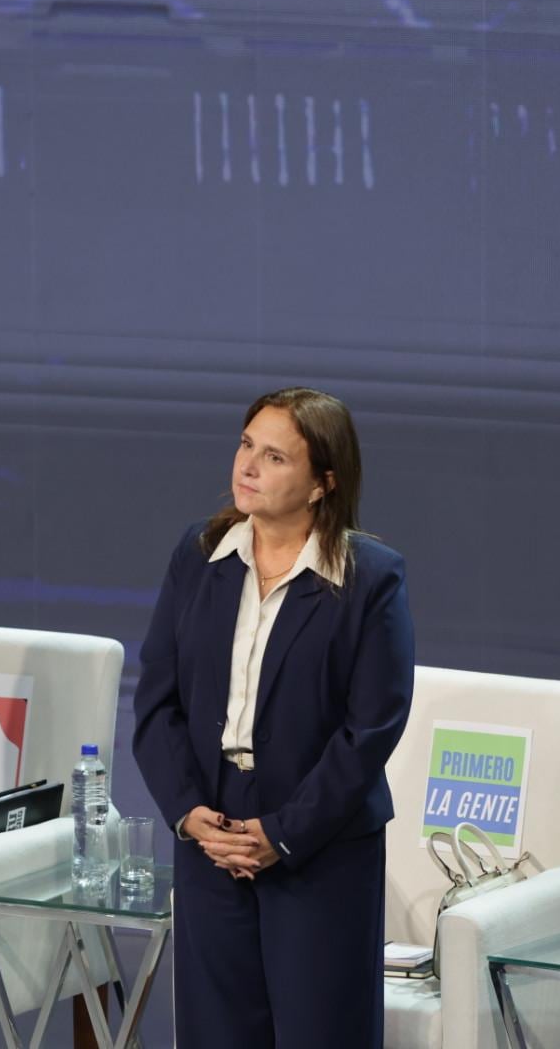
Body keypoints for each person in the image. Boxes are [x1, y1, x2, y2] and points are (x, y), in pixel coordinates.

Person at [132, 387, 414, 1048]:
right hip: (211, 833)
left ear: (323, 483)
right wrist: (187, 812)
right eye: (245, 445)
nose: (248, 466)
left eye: (275, 456)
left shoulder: (370, 578)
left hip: (317, 842)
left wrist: (282, 835)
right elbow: (158, 700)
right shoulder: (199, 553)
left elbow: (370, 729)